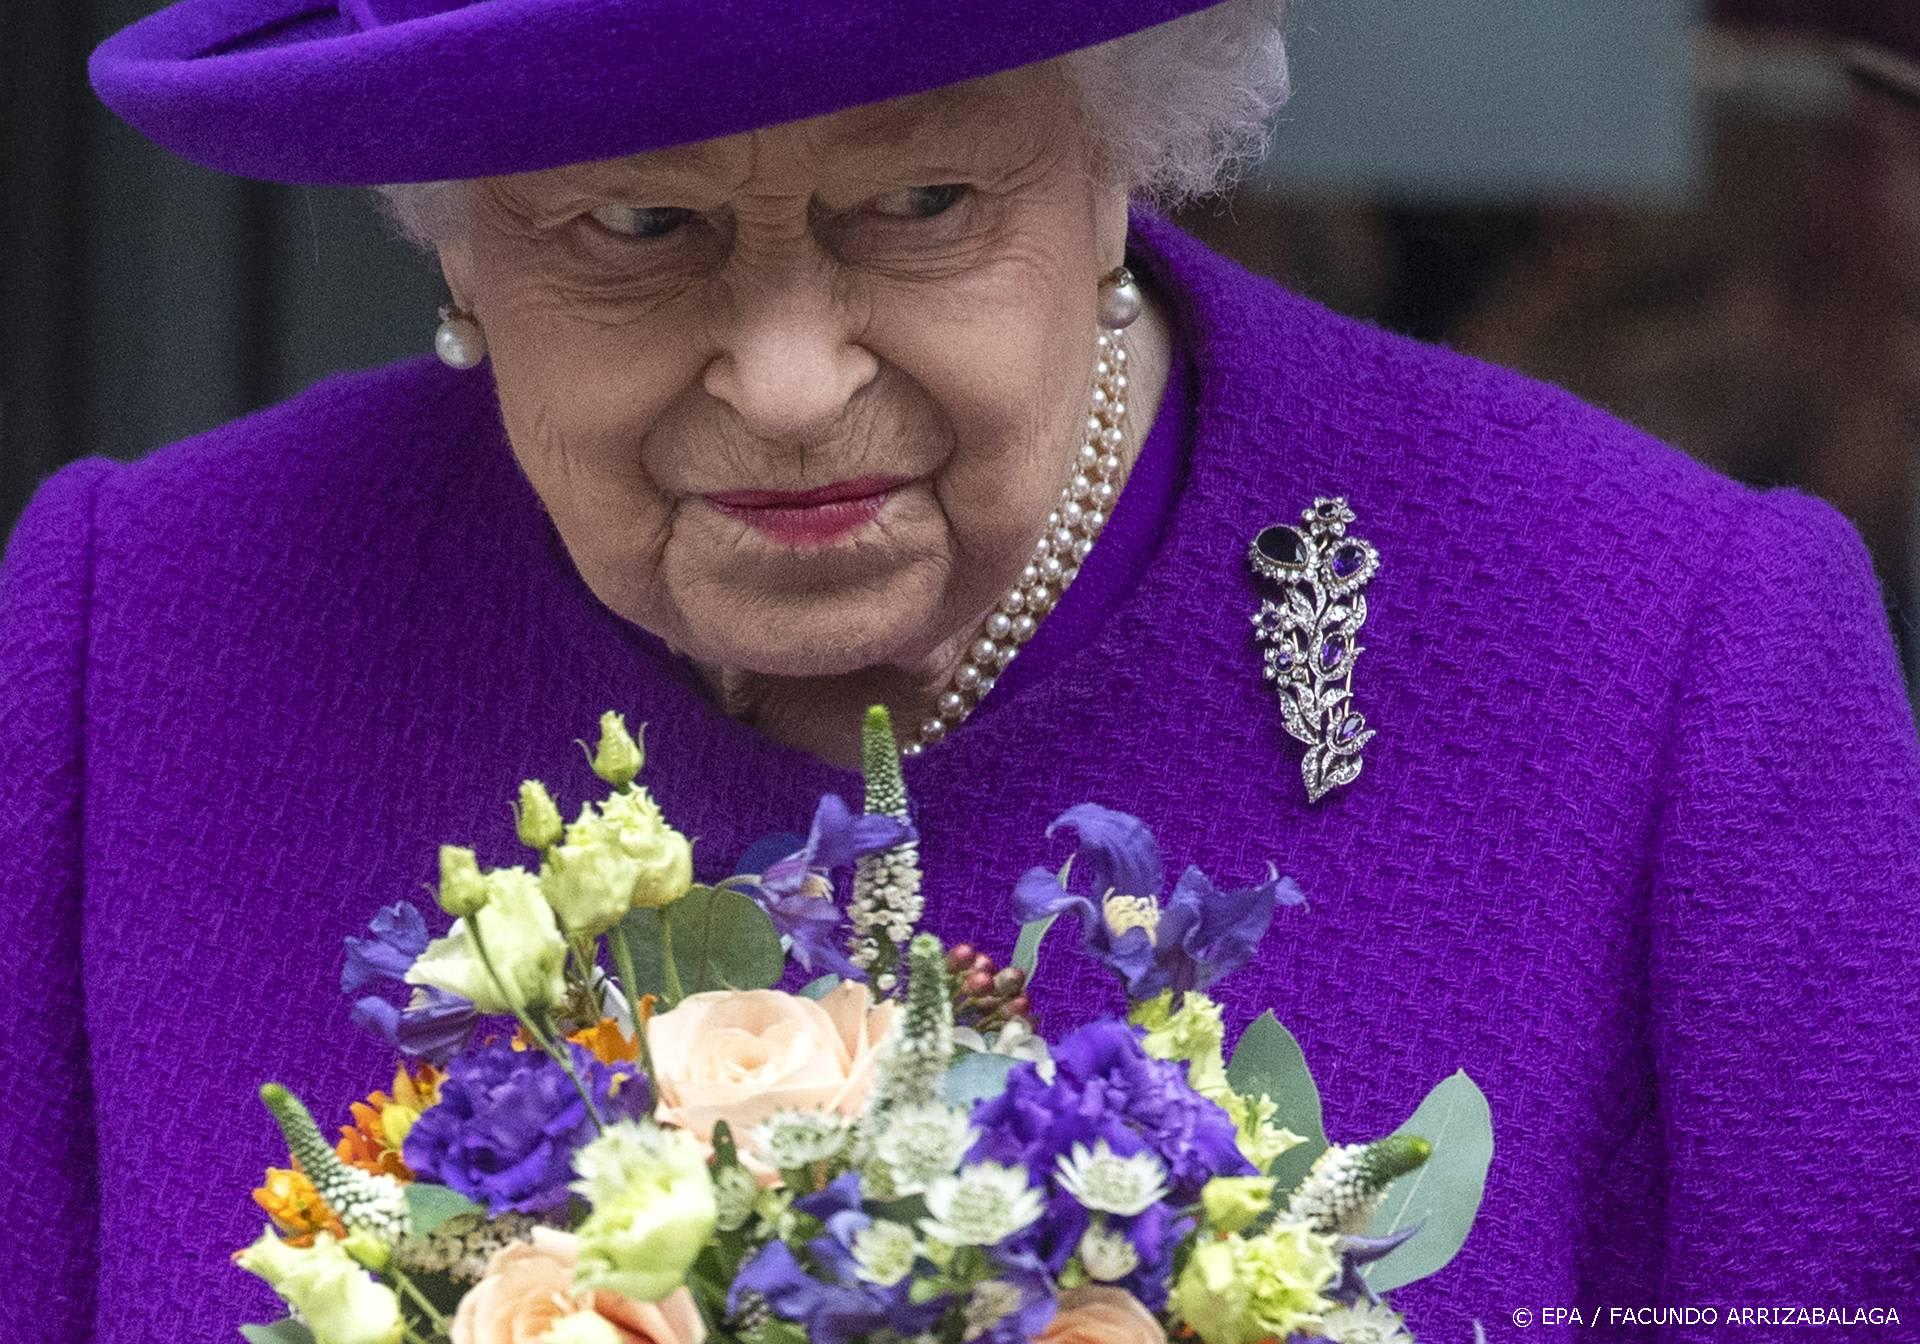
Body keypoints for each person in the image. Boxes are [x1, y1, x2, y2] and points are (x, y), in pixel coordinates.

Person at [3, 1, 1916, 1340]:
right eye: (635, 226)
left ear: (1119, 167)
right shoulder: (148, 629)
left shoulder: (1663, 653)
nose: (788, 375)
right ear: (459, 249)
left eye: (921, 205)